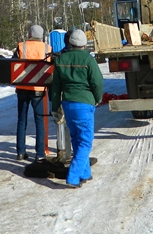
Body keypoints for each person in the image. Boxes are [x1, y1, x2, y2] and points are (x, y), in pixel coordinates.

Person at [50, 29, 104, 188]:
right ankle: (73, 177)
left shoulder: (61, 60)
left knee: (76, 138)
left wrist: (55, 107)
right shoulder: (88, 59)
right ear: (84, 43)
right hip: (84, 104)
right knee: (85, 142)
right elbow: (97, 82)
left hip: (68, 103)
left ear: (70, 42)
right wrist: (97, 98)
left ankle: (85, 173)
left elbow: (55, 87)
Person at [13, 24, 51, 161]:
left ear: (29, 34)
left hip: (22, 88)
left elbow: (13, 64)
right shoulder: (47, 48)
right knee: (39, 121)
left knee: (21, 120)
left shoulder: (21, 46)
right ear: (41, 35)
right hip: (38, 90)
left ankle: (20, 152)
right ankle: (40, 154)